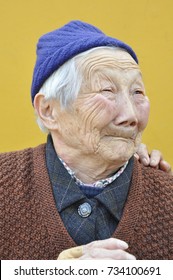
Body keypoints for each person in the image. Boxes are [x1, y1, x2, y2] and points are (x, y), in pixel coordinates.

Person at [0, 20, 172, 260]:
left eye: (138, 92)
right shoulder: (4, 184)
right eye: (107, 91)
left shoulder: (167, 197)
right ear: (49, 110)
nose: (131, 116)